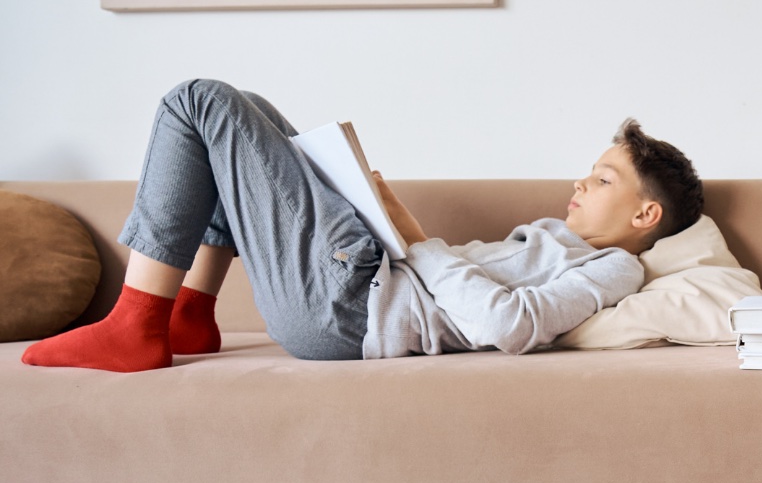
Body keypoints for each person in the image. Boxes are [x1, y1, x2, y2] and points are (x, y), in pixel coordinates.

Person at [22, 78, 703, 372]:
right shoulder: (555, 240)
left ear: (647, 216)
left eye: (604, 179)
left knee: (197, 103)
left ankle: (136, 321)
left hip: (349, 306)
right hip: (361, 277)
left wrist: (414, 237)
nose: (581, 183)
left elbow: (506, 327)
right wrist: (392, 227)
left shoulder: (613, 268)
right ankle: (190, 313)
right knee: (248, 114)